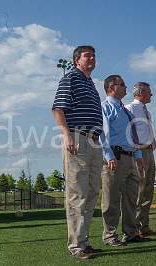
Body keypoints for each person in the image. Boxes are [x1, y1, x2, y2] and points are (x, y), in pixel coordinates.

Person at [52, 45, 103, 260]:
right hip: (78, 138)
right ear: (76, 60)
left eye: (93, 55)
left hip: (94, 141)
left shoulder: (90, 84)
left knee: (91, 193)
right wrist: (66, 134)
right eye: (86, 55)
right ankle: (76, 245)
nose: (91, 58)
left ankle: (83, 241)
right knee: (77, 194)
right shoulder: (71, 78)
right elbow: (58, 108)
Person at [100, 75, 149, 247]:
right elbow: (102, 135)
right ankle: (110, 236)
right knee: (111, 199)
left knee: (131, 198)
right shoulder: (105, 108)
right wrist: (109, 156)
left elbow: (131, 135)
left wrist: (138, 156)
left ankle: (130, 233)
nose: (126, 87)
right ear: (112, 87)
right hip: (115, 158)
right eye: (122, 84)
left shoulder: (125, 110)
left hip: (130, 158)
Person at [125, 82, 156, 237]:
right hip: (139, 152)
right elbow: (129, 132)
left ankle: (145, 226)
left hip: (150, 152)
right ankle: (134, 227)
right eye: (149, 92)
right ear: (142, 92)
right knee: (139, 190)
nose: (151, 94)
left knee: (148, 190)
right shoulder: (130, 108)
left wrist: (153, 139)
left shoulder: (147, 112)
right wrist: (136, 150)